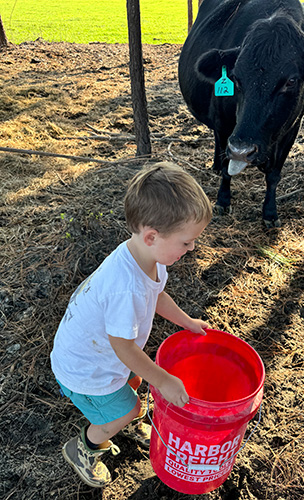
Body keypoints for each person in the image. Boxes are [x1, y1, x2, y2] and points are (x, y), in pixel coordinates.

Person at [50, 162, 213, 488]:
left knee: (136, 378)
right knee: (125, 410)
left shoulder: (145, 258)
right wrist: (164, 380)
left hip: (101, 356)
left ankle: (124, 413)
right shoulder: (126, 287)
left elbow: (157, 296)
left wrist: (187, 322)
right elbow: (122, 346)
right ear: (152, 235)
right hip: (85, 372)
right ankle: (85, 446)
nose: (192, 247)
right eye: (186, 242)